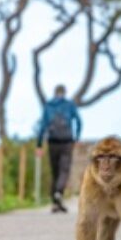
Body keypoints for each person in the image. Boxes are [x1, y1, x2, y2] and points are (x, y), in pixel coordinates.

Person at [36, 84, 82, 213]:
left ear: (55, 92)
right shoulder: (69, 104)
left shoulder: (48, 105)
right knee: (64, 170)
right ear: (64, 92)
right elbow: (78, 121)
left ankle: (56, 202)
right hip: (67, 141)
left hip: (52, 142)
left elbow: (42, 126)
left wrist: (39, 145)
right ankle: (59, 193)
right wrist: (77, 137)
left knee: (55, 172)